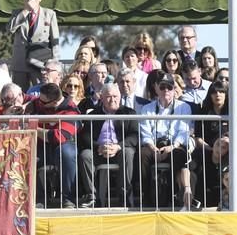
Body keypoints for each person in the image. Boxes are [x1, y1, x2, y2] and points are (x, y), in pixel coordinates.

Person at [78, 83, 138, 207]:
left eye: (115, 96)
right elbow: (85, 137)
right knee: (85, 155)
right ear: (102, 98)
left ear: (120, 97)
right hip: (99, 151)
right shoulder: (93, 115)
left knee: (128, 152)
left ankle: (125, 196)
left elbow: (134, 136)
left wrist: (118, 146)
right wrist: (98, 147)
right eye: (109, 96)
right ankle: (92, 196)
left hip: (119, 150)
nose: (113, 100)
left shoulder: (129, 113)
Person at [139, 74, 193, 210]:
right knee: (142, 155)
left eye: (169, 87)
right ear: (157, 89)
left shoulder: (184, 107)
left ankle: (176, 195)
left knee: (179, 155)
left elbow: (184, 131)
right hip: (154, 145)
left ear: (174, 89)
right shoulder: (147, 109)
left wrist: (172, 147)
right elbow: (145, 133)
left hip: (174, 145)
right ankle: (146, 196)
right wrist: (152, 147)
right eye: (162, 87)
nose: (166, 91)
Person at [25, 83, 79, 208]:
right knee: (29, 154)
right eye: (39, 99)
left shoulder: (71, 110)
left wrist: (33, 128)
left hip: (63, 145)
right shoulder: (39, 102)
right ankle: (39, 199)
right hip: (41, 145)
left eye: (42, 102)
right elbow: (25, 98)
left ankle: (68, 198)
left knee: (66, 153)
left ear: (54, 102)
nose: (39, 103)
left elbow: (59, 136)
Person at [7, 0, 60, 89]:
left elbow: (55, 41)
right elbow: (10, 29)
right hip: (20, 61)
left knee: (41, 91)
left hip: (39, 61)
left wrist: (55, 63)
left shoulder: (49, 14)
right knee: (18, 92)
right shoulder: (18, 13)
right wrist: (26, 11)